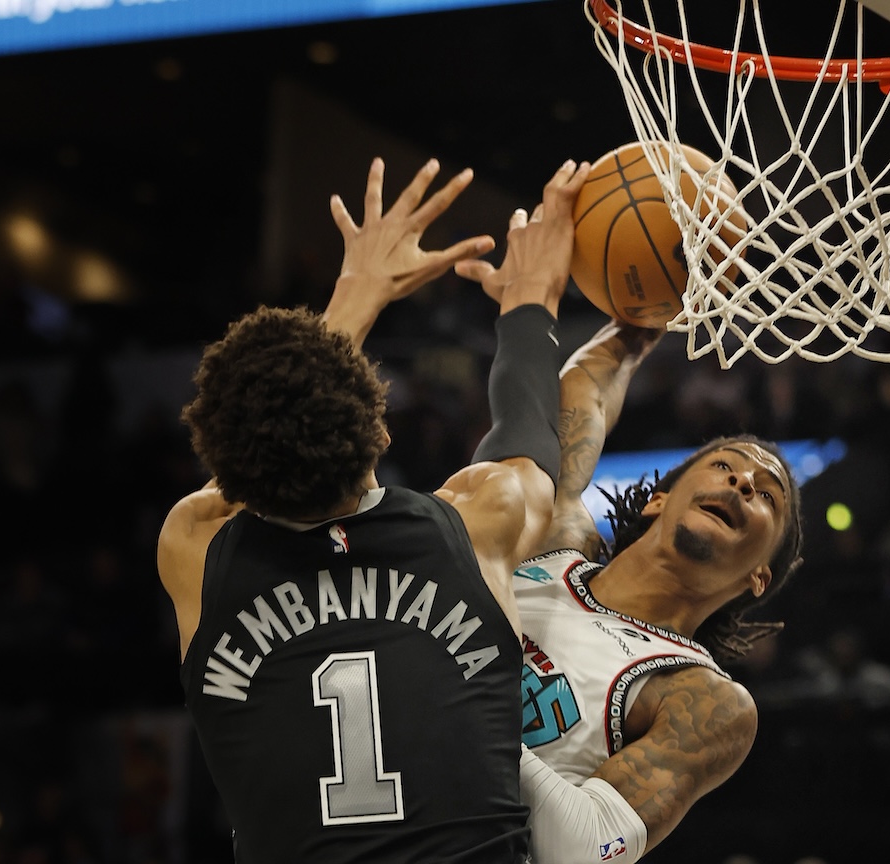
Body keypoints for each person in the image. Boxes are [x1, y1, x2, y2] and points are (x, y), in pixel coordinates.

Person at [157, 155, 591, 863]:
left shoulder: (196, 549)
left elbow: (235, 463)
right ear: (382, 431)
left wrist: (354, 295)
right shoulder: (474, 525)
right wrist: (530, 304)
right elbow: (527, 439)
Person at [503, 321, 807, 863]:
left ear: (759, 575)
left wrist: (455, 691)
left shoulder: (705, 699)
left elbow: (583, 849)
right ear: (658, 501)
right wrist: (634, 326)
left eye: (767, 495)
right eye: (723, 466)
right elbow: (584, 394)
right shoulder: (558, 536)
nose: (741, 483)